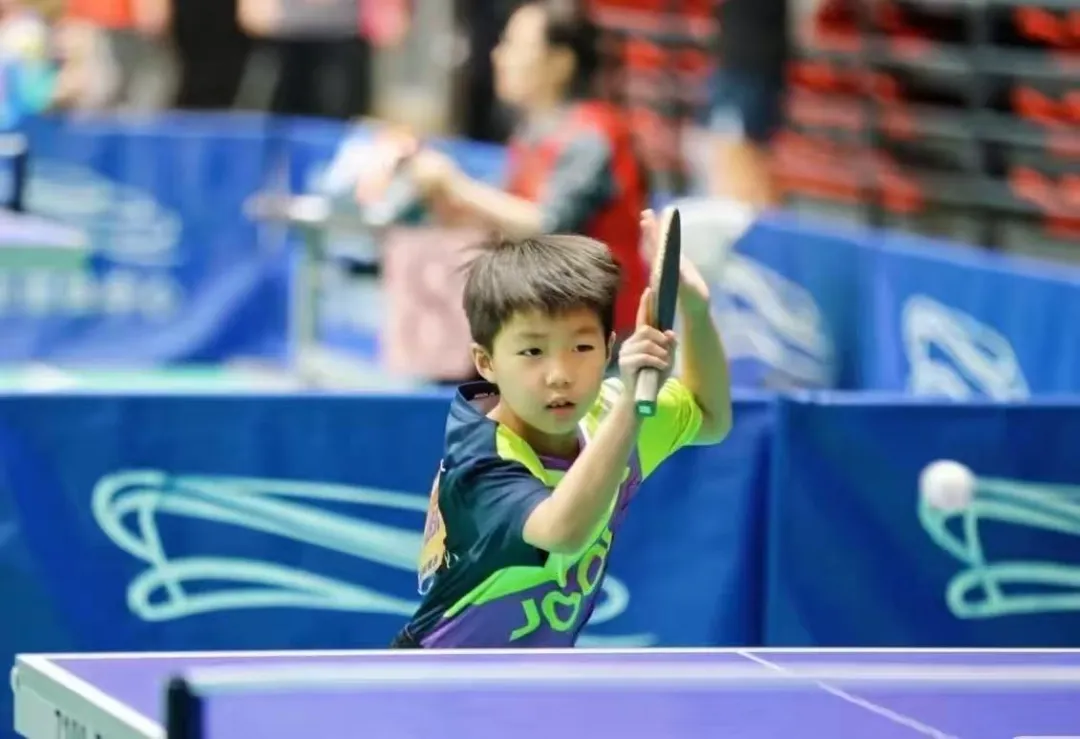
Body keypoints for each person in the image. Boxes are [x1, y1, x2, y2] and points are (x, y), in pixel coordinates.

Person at [391, 210, 733, 648]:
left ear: (609, 348)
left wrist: (696, 310)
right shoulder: (479, 464)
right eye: (532, 351)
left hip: (538, 677)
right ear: (486, 363)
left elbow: (709, 416)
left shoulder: (609, 413)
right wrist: (633, 405)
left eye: (581, 347)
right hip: (440, 676)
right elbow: (563, 532)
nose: (559, 375)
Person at [380, 0, 649, 343]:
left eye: (514, 45)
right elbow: (506, 218)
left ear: (560, 63)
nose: (498, 56)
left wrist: (455, 184)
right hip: (548, 326)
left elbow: (548, 226)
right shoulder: (533, 132)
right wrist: (442, 197)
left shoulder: (592, 136)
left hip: (602, 342)